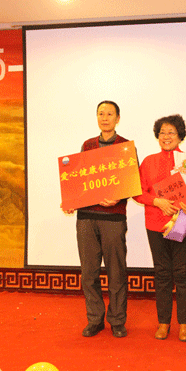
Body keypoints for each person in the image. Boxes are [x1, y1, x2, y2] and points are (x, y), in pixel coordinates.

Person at [134, 114, 186, 342]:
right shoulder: (148, 161)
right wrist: (157, 201)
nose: (167, 136)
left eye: (171, 132)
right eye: (163, 132)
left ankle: (184, 323)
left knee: (183, 273)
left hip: (183, 224)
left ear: (180, 136)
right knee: (162, 273)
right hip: (155, 224)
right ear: (157, 136)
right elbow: (137, 191)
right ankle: (163, 322)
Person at [61, 100, 130, 338]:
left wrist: (119, 196)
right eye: (101, 113)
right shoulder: (88, 145)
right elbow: (79, 178)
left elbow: (131, 180)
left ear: (117, 118)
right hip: (87, 218)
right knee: (89, 272)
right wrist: (70, 200)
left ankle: (117, 321)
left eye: (110, 114)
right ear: (97, 117)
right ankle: (95, 319)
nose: (105, 118)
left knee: (116, 273)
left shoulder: (125, 147)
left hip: (113, 218)